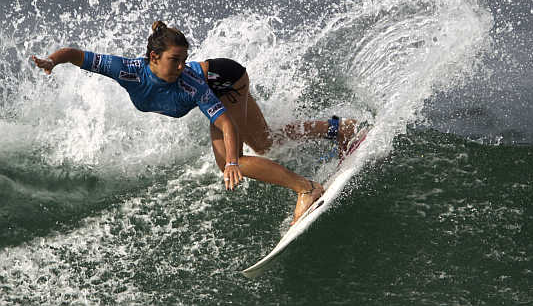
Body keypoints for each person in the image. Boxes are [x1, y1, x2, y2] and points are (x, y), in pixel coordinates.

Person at [31, 21, 355, 224]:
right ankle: (339, 128)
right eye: (175, 59)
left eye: (185, 59)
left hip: (226, 79)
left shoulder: (191, 84)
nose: (182, 65)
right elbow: (76, 54)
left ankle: (307, 188)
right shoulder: (127, 69)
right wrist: (52, 61)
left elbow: (227, 125)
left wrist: (231, 163)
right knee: (266, 141)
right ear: (153, 58)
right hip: (224, 75)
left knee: (238, 157)